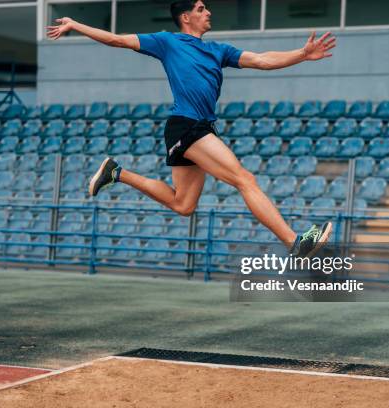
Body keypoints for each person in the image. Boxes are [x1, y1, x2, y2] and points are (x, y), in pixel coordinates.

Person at [46, 0, 336, 258]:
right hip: (187, 126)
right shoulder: (167, 42)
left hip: (198, 128)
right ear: (186, 17)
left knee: (183, 205)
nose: (208, 12)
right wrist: (75, 24)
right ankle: (295, 243)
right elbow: (116, 40)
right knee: (244, 179)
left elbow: (262, 60)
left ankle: (116, 172)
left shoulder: (217, 51)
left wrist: (301, 54)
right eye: (201, 9)